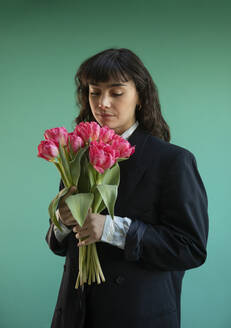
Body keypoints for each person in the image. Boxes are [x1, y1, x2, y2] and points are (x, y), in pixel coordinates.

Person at [45, 48, 209, 328]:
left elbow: (191, 248)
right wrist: (61, 220)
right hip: (74, 316)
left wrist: (112, 229)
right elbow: (59, 245)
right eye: (94, 92)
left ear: (140, 97)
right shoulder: (77, 155)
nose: (103, 103)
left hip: (138, 316)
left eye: (116, 93)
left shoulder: (173, 160)